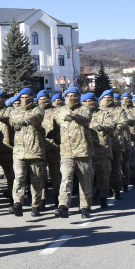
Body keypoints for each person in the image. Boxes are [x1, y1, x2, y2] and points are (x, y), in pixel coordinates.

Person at [55, 87, 94, 219]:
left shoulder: (85, 109)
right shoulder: (60, 111)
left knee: (85, 181)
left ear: (79, 96)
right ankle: (63, 206)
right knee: (66, 180)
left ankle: (85, 207)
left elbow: (86, 121)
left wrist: (75, 117)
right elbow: (55, 127)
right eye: (69, 95)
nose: (71, 98)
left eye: (74, 95)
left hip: (83, 152)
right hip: (66, 152)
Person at [7, 88, 45, 217]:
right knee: (19, 178)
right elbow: (11, 127)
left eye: (27, 97)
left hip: (35, 150)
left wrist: (24, 121)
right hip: (19, 151)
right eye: (22, 97)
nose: (24, 99)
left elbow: (36, 118)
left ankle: (36, 205)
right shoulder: (14, 112)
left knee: (37, 180)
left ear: (32, 97)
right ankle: (17, 203)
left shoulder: (38, 109)